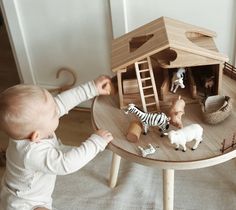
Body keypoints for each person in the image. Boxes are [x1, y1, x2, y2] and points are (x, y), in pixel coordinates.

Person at [0, 75, 113, 210]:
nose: (57, 109)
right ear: (36, 135)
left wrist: (92, 88)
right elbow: (67, 163)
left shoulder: (28, 129)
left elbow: (62, 102)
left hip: (25, 191)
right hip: (26, 203)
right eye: (54, 114)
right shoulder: (32, 153)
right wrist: (95, 143)